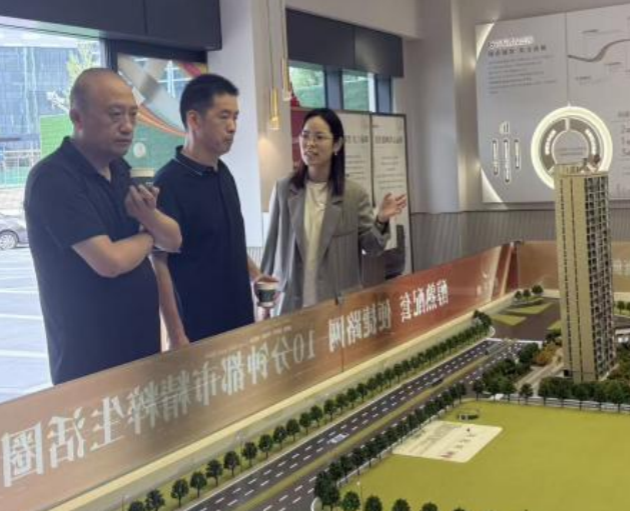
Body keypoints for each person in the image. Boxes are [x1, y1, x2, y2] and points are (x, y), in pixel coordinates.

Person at [24, 68, 181, 384]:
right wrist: (149, 235)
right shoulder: (53, 178)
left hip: (141, 351)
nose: (127, 126)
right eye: (115, 115)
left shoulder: (121, 170)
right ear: (77, 118)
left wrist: (150, 224)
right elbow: (109, 262)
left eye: (133, 115)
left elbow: (174, 239)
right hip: (89, 362)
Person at [153, 74, 276, 346]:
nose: (233, 127)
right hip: (198, 331)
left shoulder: (223, 172)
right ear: (194, 120)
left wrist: (255, 275)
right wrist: (176, 334)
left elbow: (226, 241)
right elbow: (159, 264)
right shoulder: (168, 183)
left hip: (239, 320)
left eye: (236, 117)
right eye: (224, 117)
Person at [261, 108, 407, 314]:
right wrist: (264, 302)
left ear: (337, 144)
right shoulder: (284, 189)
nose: (310, 143)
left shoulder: (354, 195)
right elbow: (270, 249)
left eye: (319, 137)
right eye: (305, 136)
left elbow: (372, 247)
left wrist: (381, 219)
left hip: (338, 307)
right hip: (290, 304)